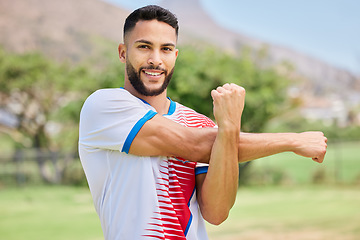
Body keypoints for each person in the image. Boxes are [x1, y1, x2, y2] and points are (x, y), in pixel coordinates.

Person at [79, 5, 327, 240]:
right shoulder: (103, 106)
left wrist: (228, 130)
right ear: (123, 52)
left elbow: (216, 212)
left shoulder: (198, 123)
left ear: (175, 55)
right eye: (144, 47)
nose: (155, 59)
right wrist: (294, 140)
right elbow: (194, 145)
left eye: (166, 49)